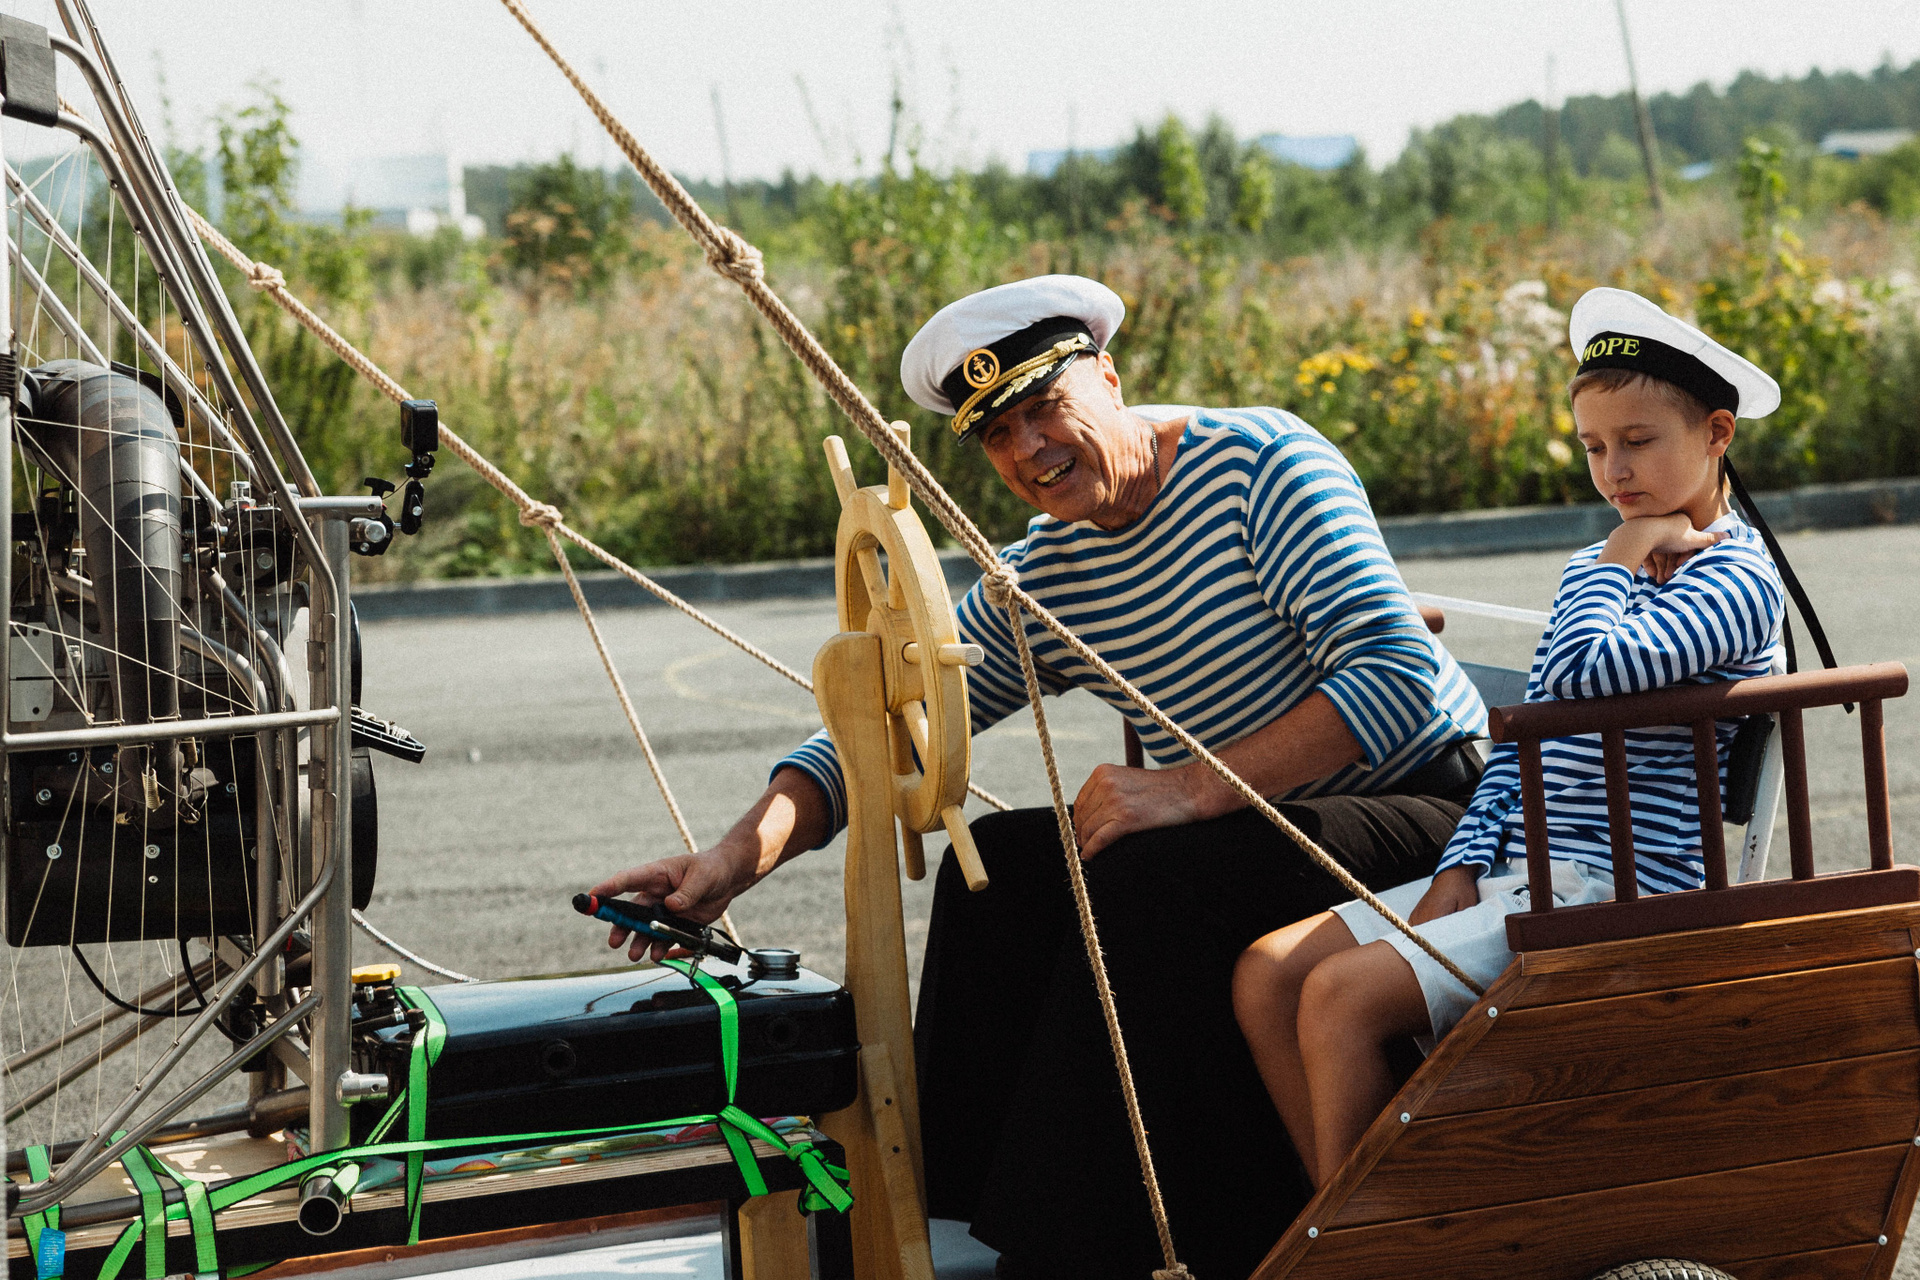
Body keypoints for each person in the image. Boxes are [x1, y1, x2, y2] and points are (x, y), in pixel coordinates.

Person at [590, 274, 1487, 1278]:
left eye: (1044, 407)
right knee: (1005, 869)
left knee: (1148, 879)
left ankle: (1103, 1248)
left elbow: (1395, 676)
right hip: (1261, 826)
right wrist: (726, 863)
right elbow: (891, 736)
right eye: (996, 434)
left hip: (1433, 810)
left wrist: (1190, 789)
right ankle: (959, 1220)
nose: (1028, 450)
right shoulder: (1052, 569)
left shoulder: (1263, 466)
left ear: (1110, 377)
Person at [1232, 287, 1788, 1189]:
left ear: (1717, 433)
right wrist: (1460, 863)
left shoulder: (1736, 579)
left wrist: (1618, 557)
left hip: (1620, 887)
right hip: (1523, 873)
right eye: (1594, 447)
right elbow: (1529, 739)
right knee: (1269, 975)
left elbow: (1584, 676)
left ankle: (1369, 1240)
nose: (1614, 472)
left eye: (1638, 441)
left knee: (1338, 995)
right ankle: (1339, 1219)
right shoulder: (1600, 565)